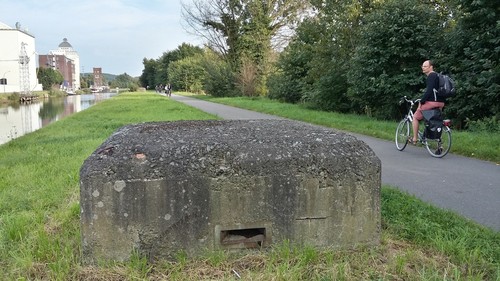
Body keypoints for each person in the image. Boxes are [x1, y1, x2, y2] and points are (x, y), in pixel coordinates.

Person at [411, 60, 445, 144]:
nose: (423, 67)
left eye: (425, 66)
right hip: (441, 102)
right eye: (422, 66)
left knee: (415, 117)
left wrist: (422, 101)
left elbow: (429, 91)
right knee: (436, 122)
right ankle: (439, 145)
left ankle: (415, 139)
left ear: (431, 67)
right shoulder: (438, 75)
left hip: (432, 102)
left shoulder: (431, 76)